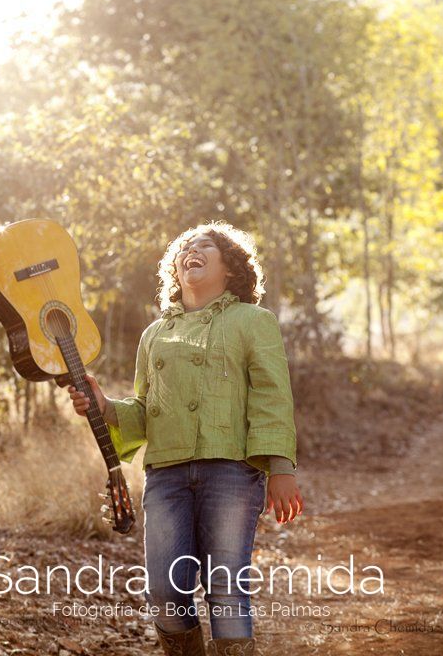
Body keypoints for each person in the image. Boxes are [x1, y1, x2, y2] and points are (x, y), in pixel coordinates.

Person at [68, 221, 303, 656]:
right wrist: (102, 405)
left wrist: (281, 469)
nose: (191, 250)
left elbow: (272, 396)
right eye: (184, 248)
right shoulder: (154, 335)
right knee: (164, 591)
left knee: (226, 589)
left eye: (205, 245)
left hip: (232, 470)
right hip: (166, 476)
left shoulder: (253, 321)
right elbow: (143, 410)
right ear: (174, 270)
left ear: (230, 269)